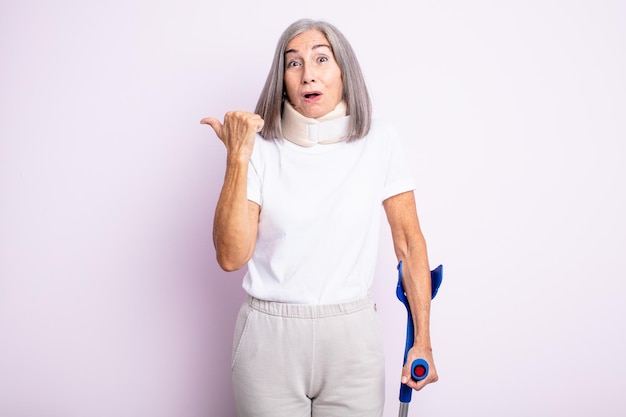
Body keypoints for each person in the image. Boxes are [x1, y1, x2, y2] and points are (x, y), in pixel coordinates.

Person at [201, 18, 437, 417]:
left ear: (344, 71)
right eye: (293, 63)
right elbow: (230, 257)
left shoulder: (379, 141)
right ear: (282, 79)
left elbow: (410, 244)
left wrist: (424, 341)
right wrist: (237, 158)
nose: (308, 74)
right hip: (268, 337)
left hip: (352, 337)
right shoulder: (258, 148)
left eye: (321, 59)